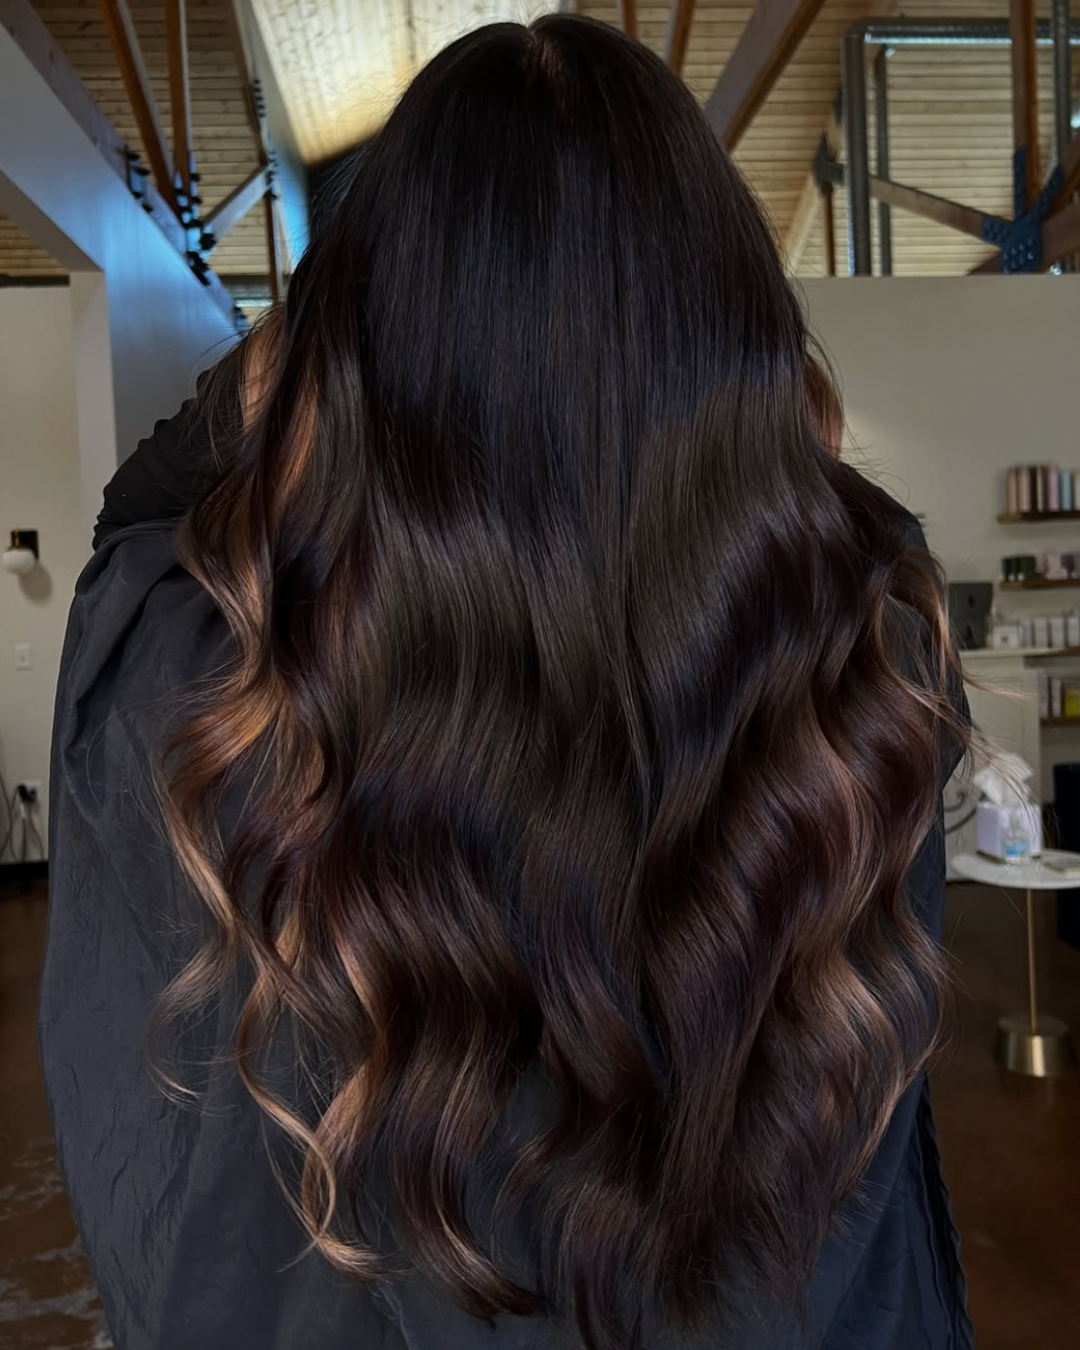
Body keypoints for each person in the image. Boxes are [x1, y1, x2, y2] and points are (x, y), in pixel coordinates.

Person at [41, 15, 971, 1350]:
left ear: (351, 365)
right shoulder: (859, 680)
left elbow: (137, 517)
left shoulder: (206, 685)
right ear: (738, 349)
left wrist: (308, 350)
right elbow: (847, 524)